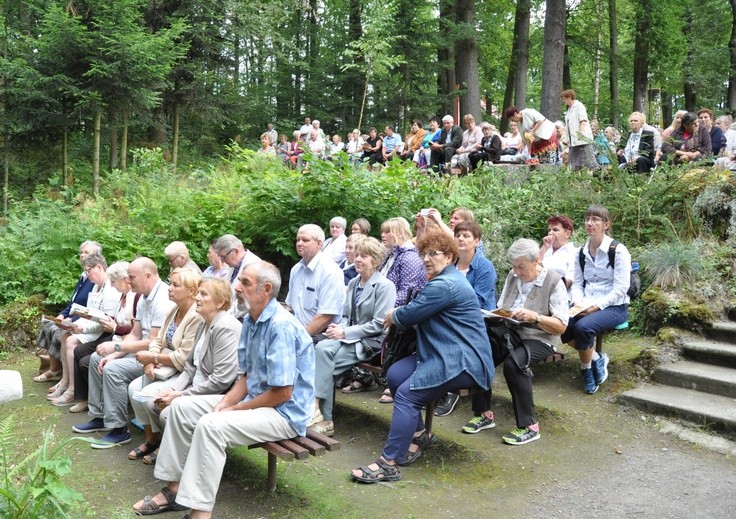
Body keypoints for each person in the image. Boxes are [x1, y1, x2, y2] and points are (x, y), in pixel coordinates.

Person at [132, 262, 314, 518]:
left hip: (285, 413)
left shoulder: (280, 327)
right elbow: (246, 376)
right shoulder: (252, 319)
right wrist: (224, 404)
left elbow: (282, 393)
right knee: (180, 408)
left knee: (211, 426)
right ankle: (174, 490)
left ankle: (200, 513)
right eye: (239, 281)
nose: (237, 287)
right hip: (257, 400)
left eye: (245, 283)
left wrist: (233, 409)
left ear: (267, 289)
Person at [350, 231, 494, 483]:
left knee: (407, 394)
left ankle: (388, 463)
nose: (426, 259)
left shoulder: (445, 285)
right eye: (423, 254)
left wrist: (393, 313)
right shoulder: (442, 280)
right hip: (440, 352)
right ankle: (419, 433)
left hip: (462, 361)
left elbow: (407, 316)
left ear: (449, 257)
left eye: (433, 254)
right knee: (394, 375)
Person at [462, 238, 568, 445]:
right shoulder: (513, 276)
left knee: (514, 364)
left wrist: (535, 317)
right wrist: (498, 315)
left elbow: (561, 325)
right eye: (514, 267)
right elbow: (503, 305)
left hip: (541, 337)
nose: (517, 272)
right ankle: (483, 414)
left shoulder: (554, 281)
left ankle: (529, 426)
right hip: (510, 331)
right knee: (481, 352)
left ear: (537, 260)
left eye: (522, 267)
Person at [136, 278, 241, 465]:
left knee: (167, 412)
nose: (197, 298)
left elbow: (222, 380)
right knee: (154, 401)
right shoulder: (204, 323)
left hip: (218, 393)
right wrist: (172, 390)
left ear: (220, 302)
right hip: (196, 385)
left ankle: (182, 461)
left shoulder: (226, 327)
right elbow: (191, 366)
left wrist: (180, 395)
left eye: (204, 294)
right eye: (198, 292)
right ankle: (173, 449)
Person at [73, 257, 175, 448]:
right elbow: (135, 333)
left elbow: (153, 342)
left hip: (153, 357)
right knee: (97, 358)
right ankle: (100, 416)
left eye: (132, 276)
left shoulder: (161, 300)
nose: (128, 280)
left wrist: (117, 348)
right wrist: (111, 353)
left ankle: (119, 429)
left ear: (148, 276)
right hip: (138, 351)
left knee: (113, 370)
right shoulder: (144, 297)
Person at [311, 237, 396, 436]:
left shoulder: (385, 286)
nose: (357, 259)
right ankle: (321, 416)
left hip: (372, 341)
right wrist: (337, 329)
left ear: (375, 261)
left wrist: (345, 332)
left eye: (363, 256)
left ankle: (322, 415)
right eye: (356, 255)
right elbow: (347, 316)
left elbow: (379, 324)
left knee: (323, 361)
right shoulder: (354, 282)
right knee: (320, 349)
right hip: (349, 338)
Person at [126, 267, 204, 462]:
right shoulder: (173, 309)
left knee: (148, 397)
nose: (169, 288)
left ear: (191, 291)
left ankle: (166, 445)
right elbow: (158, 340)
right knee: (134, 388)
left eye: (176, 285)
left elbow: (185, 356)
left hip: (182, 373)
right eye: (170, 283)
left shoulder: (196, 316)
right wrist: (150, 361)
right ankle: (152, 439)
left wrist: (153, 359)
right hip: (163, 367)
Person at [562, 205, 630, 394]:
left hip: (614, 306)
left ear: (606, 224)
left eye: (595, 219)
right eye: (587, 219)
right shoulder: (580, 253)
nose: (590, 223)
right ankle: (596, 358)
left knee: (583, 328)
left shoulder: (618, 250)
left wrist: (595, 307)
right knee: (562, 324)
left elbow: (621, 288)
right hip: (585, 303)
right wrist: (577, 303)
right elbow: (577, 284)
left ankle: (587, 372)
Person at [434, 221, 497, 418]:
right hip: (450, 319)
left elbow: (477, 302)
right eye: (458, 235)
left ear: (476, 241)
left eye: (467, 236)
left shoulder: (485, 267)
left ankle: (451, 391)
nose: (461, 239)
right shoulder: (449, 264)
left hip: (478, 323)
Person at [49, 253, 121, 407]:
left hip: (104, 332)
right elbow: (89, 313)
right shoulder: (96, 285)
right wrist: (73, 324)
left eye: (88, 270)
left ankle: (72, 390)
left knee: (71, 341)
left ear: (99, 267)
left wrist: (81, 329)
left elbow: (107, 320)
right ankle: (66, 382)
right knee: (64, 335)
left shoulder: (111, 288)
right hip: (91, 328)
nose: (87, 275)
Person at [71, 261, 140, 414]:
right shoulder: (122, 295)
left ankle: (104, 403)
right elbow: (111, 320)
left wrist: (115, 327)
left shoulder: (135, 298)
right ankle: (86, 400)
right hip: (116, 338)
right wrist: (86, 327)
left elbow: (134, 330)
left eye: (114, 282)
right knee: (80, 351)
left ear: (123, 279)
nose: (113, 286)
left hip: (124, 342)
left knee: (87, 361)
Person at [34, 241, 99, 383]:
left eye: (86, 252)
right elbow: (72, 304)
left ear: (96, 256)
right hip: (72, 318)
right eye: (81, 252)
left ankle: (56, 372)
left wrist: (71, 321)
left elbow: (89, 310)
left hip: (83, 322)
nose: (82, 255)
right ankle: (53, 369)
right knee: (48, 326)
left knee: (57, 331)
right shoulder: (83, 277)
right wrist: (62, 315)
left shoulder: (95, 280)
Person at [284, 224, 345, 340]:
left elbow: (326, 316)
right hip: (295, 331)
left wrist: (299, 340)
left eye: (305, 240)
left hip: (319, 336)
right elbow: (289, 307)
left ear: (319, 244)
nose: (299, 243)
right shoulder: (296, 270)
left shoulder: (330, 271)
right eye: (298, 240)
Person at [213, 234, 261, 318]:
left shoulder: (254, 265)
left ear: (235, 251)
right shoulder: (232, 265)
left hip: (246, 318)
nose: (221, 261)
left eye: (223, 257)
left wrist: (221, 317)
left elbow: (247, 303)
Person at [539, 215, 576, 301]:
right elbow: (532, 267)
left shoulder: (573, 252)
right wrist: (544, 247)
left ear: (567, 234)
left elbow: (570, 280)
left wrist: (549, 288)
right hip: (538, 295)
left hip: (560, 297)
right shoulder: (546, 250)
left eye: (555, 230)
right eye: (549, 230)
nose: (550, 233)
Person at [562, 89, 598, 170]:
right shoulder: (569, 110)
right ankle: (575, 182)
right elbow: (569, 126)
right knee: (574, 165)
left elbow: (583, 120)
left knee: (590, 163)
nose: (563, 101)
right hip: (573, 143)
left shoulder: (579, 105)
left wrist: (580, 134)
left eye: (564, 98)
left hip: (582, 141)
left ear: (569, 97)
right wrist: (566, 139)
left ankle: (598, 178)